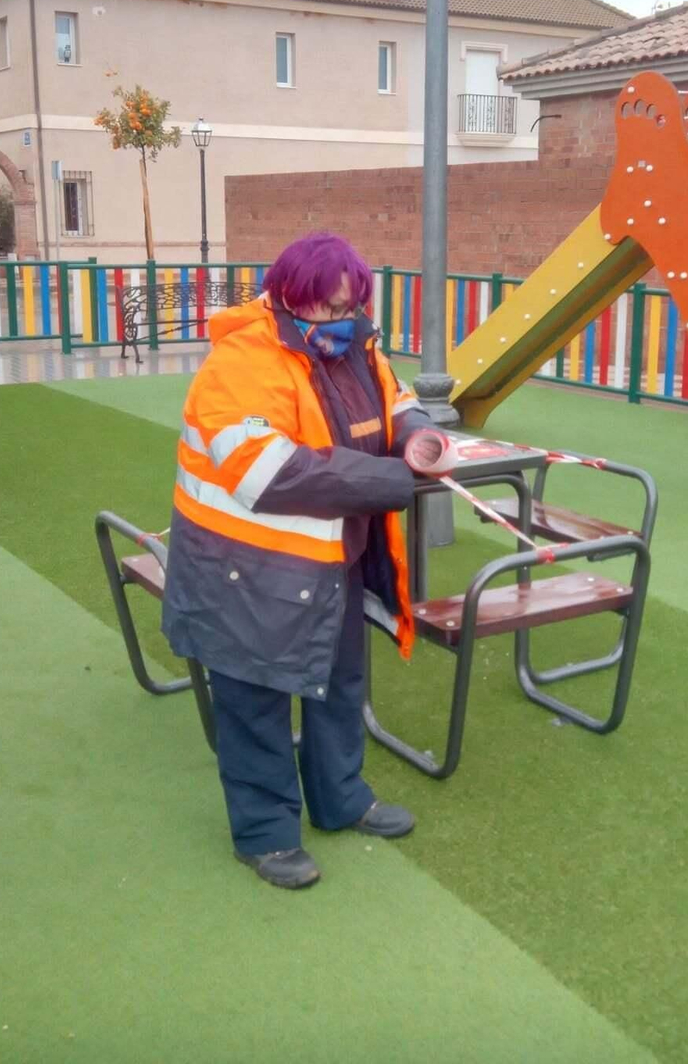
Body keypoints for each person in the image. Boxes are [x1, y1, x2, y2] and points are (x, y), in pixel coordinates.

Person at [160, 232, 438, 890]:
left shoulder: (357, 342)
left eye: (348, 306)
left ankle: (341, 800)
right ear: (289, 298)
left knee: (340, 684)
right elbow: (268, 472)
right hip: (242, 570)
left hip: (324, 558)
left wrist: (421, 434)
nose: (338, 318)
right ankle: (265, 834)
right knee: (254, 697)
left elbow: (395, 401)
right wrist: (396, 483)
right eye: (324, 307)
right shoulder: (242, 359)